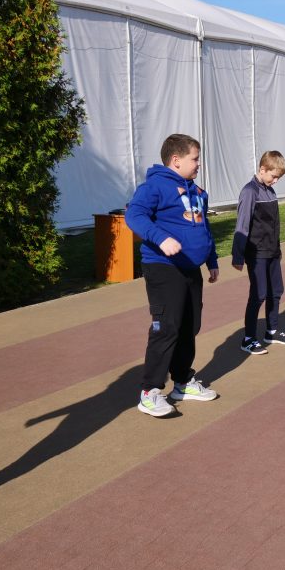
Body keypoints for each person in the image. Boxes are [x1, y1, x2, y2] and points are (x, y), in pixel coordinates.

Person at [126, 133, 219, 417]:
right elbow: (134, 215)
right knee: (167, 327)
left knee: (190, 326)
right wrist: (161, 238)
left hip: (191, 269)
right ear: (176, 160)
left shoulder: (197, 191)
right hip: (163, 267)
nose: (199, 164)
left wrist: (211, 259)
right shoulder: (154, 186)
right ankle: (150, 391)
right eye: (195, 159)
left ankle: (182, 382)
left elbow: (203, 227)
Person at [231, 150, 285, 355]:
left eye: (278, 177)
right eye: (274, 176)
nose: (275, 181)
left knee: (276, 291)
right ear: (262, 169)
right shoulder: (249, 191)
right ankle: (248, 338)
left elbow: (273, 224)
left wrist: (278, 249)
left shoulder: (270, 191)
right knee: (258, 294)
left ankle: (272, 331)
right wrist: (238, 255)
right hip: (257, 252)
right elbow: (242, 225)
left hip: (272, 251)